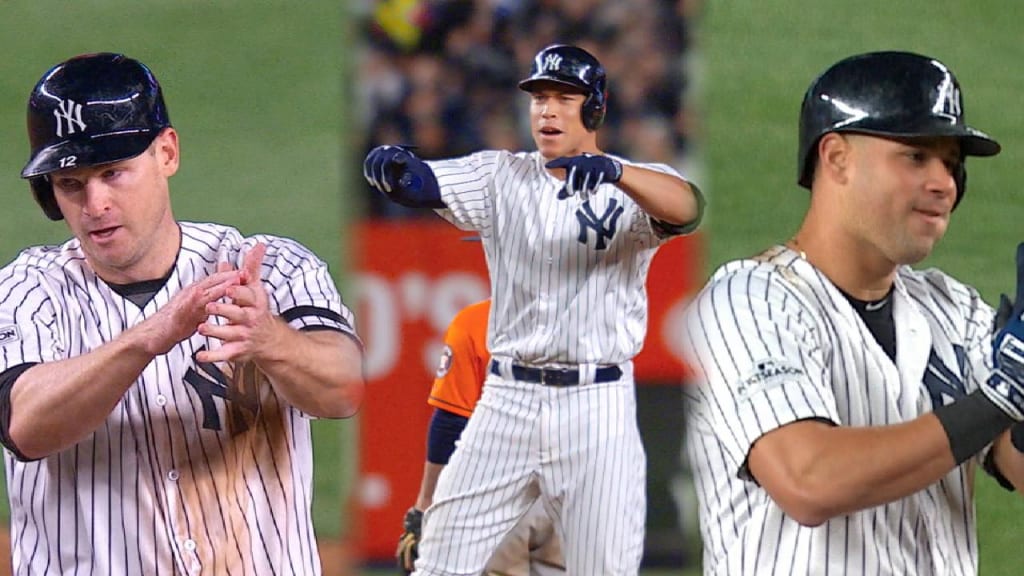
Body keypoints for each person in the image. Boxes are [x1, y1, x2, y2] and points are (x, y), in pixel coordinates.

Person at [0, 53, 365, 575]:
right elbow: (26, 427)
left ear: (166, 153)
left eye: (113, 172)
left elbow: (345, 388)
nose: (95, 203)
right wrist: (148, 337)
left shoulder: (270, 268)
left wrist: (270, 339)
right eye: (72, 184)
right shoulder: (29, 289)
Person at [363, 44, 704, 575]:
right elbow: (422, 183)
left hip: (598, 405)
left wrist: (616, 172)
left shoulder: (632, 184)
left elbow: (688, 209)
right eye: (540, 97)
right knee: (438, 564)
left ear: (594, 108)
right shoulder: (501, 176)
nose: (547, 110)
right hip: (507, 400)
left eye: (564, 98)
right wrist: (394, 169)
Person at [682, 51, 1024, 575]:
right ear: (836, 158)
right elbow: (809, 480)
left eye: (952, 164)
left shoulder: (952, 309)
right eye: (916, 156)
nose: (944, 184)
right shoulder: (747, 302)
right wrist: (1002, 394)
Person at [396, 299, 565, 575]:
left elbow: (451, 422)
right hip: (571, 489)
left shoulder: (478, 320)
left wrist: (425, 505)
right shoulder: (587, 324)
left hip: (504, 491)